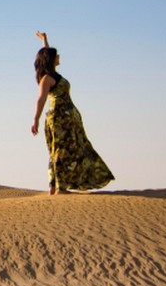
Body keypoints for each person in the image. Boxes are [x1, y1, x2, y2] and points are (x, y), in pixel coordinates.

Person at [30, 31, 114, 195]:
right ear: (51, 59)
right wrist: (36, 120)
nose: (59, 57)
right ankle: (59, 187)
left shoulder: (53, 74)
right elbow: (40, 99)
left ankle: (56, 186)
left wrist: (45, 40)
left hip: (69, 120)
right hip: (59, 120)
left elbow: (46, 53)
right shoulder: (46, 79)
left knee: (73, 150)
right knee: (61, 151)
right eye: (56, 55)